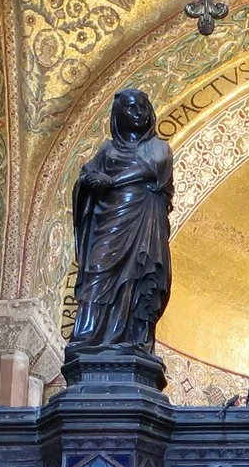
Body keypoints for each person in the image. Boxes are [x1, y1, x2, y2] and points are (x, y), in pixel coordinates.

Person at [68, 89, 173, 351]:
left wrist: (111, 181)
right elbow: (86, 174)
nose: (137, 112)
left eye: (142, 107)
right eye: (130, 107)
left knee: (139, 278)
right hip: (109, 221)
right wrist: (89, 181)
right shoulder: (107, 148)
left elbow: (151, 168)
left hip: (143, 222)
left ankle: (133, 338)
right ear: (117, 115)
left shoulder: (158, 146)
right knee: (97, 270)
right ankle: (88, 335)